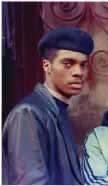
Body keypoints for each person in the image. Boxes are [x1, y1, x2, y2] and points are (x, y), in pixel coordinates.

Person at [2, 27, 94, 184]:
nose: (78, 72)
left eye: (83, 65)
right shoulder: (28, 113)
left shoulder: (57, 108)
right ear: (47, 66)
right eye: (68, 63)